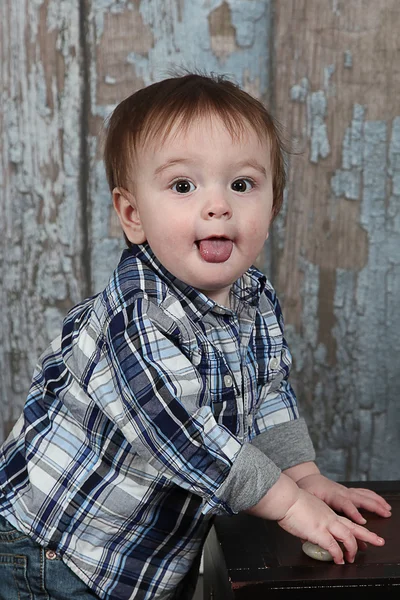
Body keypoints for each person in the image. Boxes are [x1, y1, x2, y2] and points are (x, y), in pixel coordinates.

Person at [0, 72, 391, 600]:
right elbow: (183, 434)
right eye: (184, 186)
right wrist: (291, 506)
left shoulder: (253, 297)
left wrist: (305, 477)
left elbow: (268, 392)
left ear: (272, 207)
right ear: (133, 214)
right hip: (58, 554)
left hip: (144, 555)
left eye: (242, 185)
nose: (218, 205)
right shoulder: (135, 320)